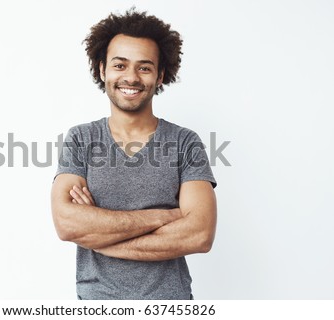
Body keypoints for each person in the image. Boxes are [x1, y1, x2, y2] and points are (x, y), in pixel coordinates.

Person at [51, 8, 217, 300]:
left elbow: (199, 234)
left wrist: (99, 237)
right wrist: (164, 216)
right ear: (102, 70)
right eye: (120, 65)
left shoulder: (185, 142)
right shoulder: (81, 139)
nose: (131, 77)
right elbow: (67, 224)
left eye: (144, 67)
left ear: (160, 75)